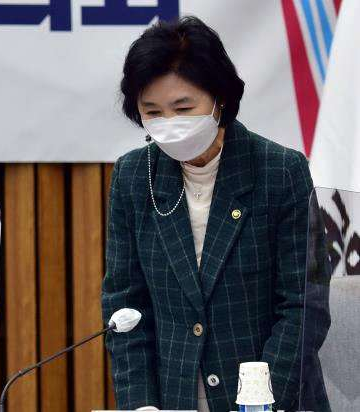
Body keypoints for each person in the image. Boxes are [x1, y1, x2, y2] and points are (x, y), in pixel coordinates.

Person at [101, 16, 330, 412]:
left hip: (271, 399)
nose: (169, 124)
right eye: (153, 112)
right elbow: (125, 305)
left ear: (219, 99)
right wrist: (140, 403)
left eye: (183, 108)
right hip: (175, 398)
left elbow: (304, 306)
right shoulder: (134, 177)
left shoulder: (280, 171)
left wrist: (262, 400)